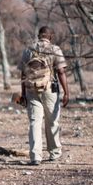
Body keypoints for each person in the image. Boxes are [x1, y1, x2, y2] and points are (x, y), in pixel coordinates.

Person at [19, 26, 70, 166]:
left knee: (35, 122)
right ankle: (54, 153)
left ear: (38, 36)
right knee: (52, 121)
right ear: (50, 37)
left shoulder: (28, 50)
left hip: (31, 90)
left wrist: (23, 94)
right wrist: (66, 92)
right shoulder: (55, 49)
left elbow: (23, 74)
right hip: (50, 90)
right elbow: (61, 72)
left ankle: (35, 156)